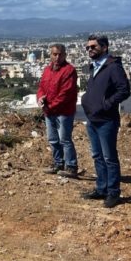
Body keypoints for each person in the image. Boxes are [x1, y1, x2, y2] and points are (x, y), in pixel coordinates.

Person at [80, 34, 131, 208]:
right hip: (92, 118)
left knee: (109, 157)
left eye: (93, 47)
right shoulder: (94, 66)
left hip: (106, 119)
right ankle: (101, 188)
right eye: (88, 47)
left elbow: (124, 91)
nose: (90, 50)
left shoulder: (113, 67)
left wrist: (106, 104)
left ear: (105, 47)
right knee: (97, 156)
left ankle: (113, 192)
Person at [37, 44, 79, 177]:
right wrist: (40, 98)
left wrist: (49, 106)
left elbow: (65, 94)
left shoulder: (69, 70)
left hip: (63, 111)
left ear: (65, 55)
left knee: (65, 139)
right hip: (49, 111)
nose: (57, 57)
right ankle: (58, 163)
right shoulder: (47, 70)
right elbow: (42, 87)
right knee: (53, 139)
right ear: (50, 55)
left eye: (60, 54)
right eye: (54, 54)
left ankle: (71, 166)